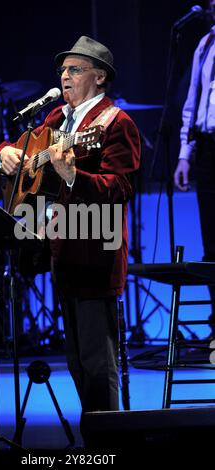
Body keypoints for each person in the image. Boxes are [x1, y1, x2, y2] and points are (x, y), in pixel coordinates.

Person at [0, 36, 140, 435]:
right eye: (63, 70)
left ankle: (109, 445)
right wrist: (5, 152)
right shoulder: (57, 119)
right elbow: (23, 149)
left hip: (96, 249)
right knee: (77, 362)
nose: (65, 76)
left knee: (97, 364)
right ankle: (94, 439)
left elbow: (121, 188)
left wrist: (74, 175)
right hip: (62, 249)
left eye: (75, 69)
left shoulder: (116, 123)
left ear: (100, 78)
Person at [174, 0, 215, 338]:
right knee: (212, 241)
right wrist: (185, 154)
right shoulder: (205, 43)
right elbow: (192, 102)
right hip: (207, 148)